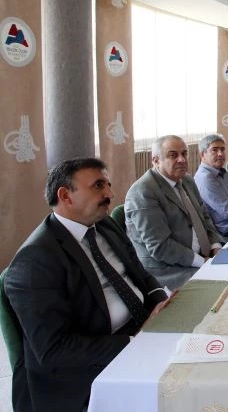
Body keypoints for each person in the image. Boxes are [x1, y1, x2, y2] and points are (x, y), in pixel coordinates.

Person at [4, 158, 170, 411]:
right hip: (86, 371)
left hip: (142, 328)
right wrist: (134, 342)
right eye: (98, 186)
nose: (110, 194)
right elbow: (54, 350)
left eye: (108, 185)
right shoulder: (35, 261)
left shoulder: (104, 225)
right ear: (65, 196)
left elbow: (140, 274)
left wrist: (163, 305)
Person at [125, 135, 223, 290]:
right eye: (173, 155)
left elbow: (204, 217)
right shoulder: (143, 192)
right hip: (169, 270)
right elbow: (160, 247)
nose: (182, 160)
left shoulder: (187, 180)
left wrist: (215, 247)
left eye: (184, 154)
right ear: (156, 160)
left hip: (204, 256)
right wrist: (202, 262)